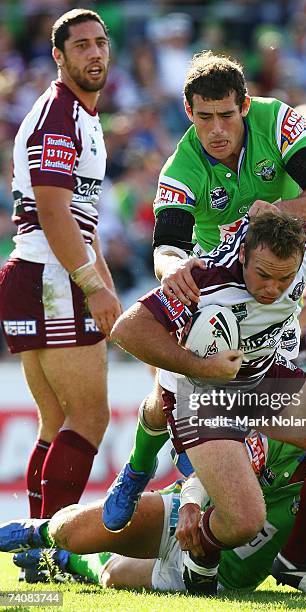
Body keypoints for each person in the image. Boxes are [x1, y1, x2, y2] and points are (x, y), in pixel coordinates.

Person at [103, 50, 306, 531]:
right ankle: (137, 468)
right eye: (204, 117)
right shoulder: (181, 166)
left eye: (226, 116)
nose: (216, 129)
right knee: (165, 394)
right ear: (189, 112)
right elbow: (167, 247)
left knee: (294, 411)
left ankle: (300, 525)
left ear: (245, 106)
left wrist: (277, 212)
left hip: (279, 282)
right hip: (221, 289)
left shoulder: (277, 121)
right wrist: (173, 268)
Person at [109, 210, 306, 592]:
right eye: (263, 275)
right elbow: (127, 330)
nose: (273, 288)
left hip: (266, 378)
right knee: (245, 521)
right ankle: (183, 532)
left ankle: (290, 563)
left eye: (285, 278)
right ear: (244, 253)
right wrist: (201, 365)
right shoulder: (206, 278)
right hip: (205, 394)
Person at [0, 407, 306, 595]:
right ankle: (37, 532)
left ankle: (67, 563)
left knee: (112, 576)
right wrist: (188, 506)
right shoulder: (282, 443)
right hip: (183, 519)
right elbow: (210, 470)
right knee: (77, 530)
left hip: (214, 578)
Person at [0, 9, 121, 526]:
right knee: (89, 418)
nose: (95, 53)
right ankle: (57, 545)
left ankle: (38, 545)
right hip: (54, 275)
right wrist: (92, 284)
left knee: (57, 419)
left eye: (101, 42)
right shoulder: (59, 115)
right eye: (81, 46)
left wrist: (105, 281)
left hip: (38, 272)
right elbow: (53, 212)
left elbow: (77, 218)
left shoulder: (78, 114)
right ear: (59, 56)